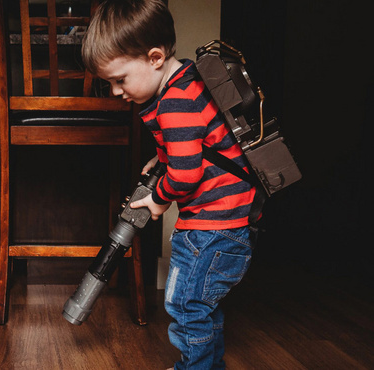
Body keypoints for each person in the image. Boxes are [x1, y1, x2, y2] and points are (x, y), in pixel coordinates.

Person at [82, 1, 257, 369]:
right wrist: (162, 160)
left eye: (120, 80)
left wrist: (159, 200)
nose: (115, 91)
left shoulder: (174, 103)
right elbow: (196, 145)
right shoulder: (185, 82)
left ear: (155, 58)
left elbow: (186, 174)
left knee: (186, 305)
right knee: (202, 307)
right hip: (226, 223)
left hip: (212, 228)